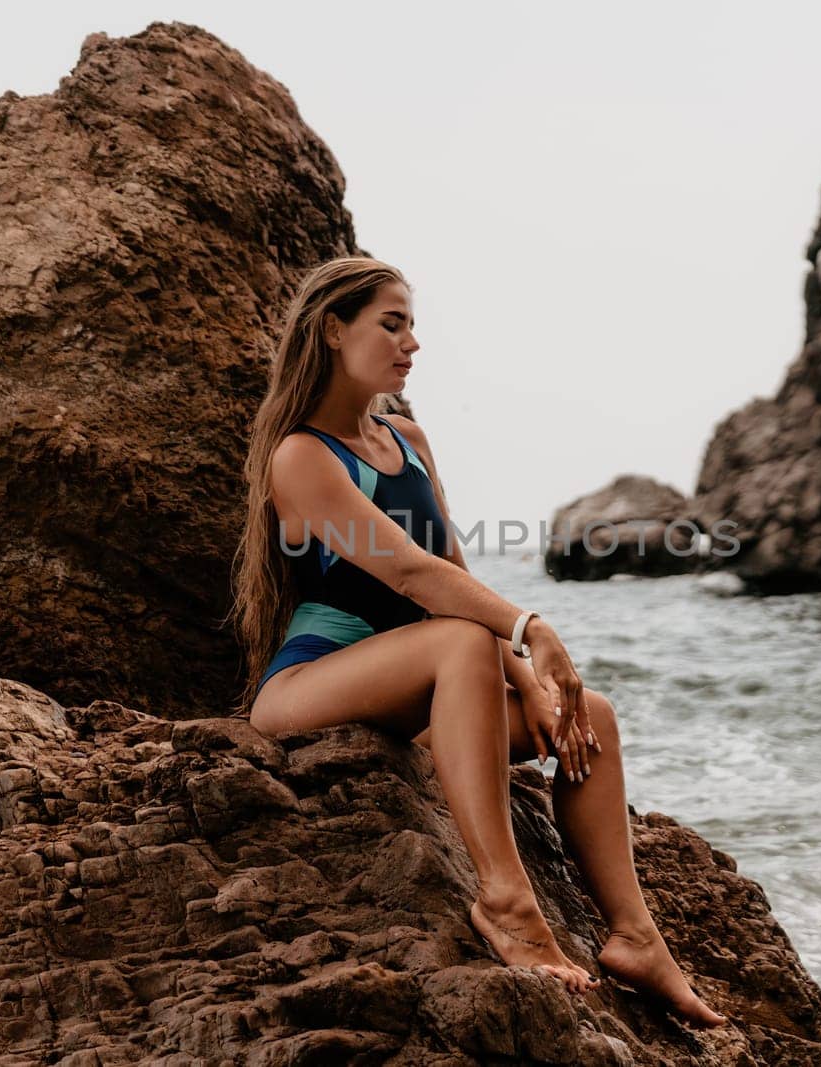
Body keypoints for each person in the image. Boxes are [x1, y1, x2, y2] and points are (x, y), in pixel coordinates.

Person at [228, 255, 726, 1027]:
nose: (412, 343)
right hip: (309, 685)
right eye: (391, 324)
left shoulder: (409, 439)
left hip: (416, 688)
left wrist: (532, 684)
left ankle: (636, 937)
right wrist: (533, 626)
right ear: (333, 329)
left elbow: (454, 565)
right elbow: (414, 574)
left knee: (588, 710)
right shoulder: (301, 455)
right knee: (459, 637)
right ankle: (505, 900)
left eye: (413, 325)